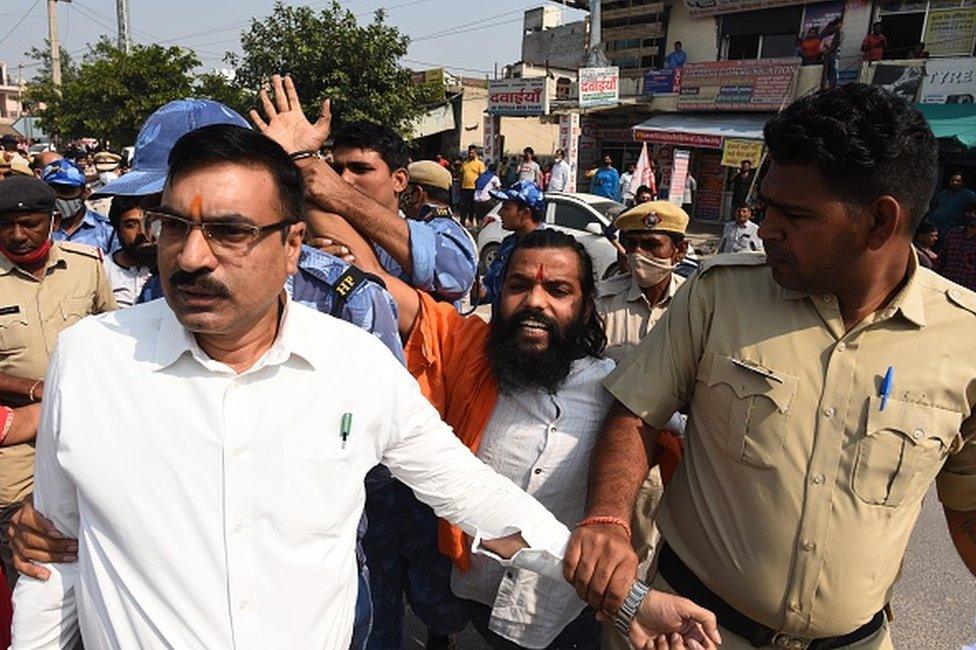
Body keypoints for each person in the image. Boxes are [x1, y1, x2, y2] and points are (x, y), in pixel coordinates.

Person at [11, 123, 719, 650]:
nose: (192, 258)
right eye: (175, 228)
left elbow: (477, 498)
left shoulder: (353, 366)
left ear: (292, 246)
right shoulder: (92, 363)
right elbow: (55, 561)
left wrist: (627, 599)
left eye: (229, 232)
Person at [565, 83, 976, 649]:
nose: (766, 228)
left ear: (880, 222)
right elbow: (636, 413)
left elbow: (969, 508)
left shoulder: (967, 340)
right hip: (686, 632)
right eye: (766, 206)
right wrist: (609, 520)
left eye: (794, 214)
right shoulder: (718, 295)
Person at [360, 227, 615, 647]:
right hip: (478, 591)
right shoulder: (469, 354)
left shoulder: (616, 391)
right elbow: (372, 278)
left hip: (565, 609)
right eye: (518, 286)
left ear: (586, 308)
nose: (535, 301)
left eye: (558, 290)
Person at [0, 176, 115, 584]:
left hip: (85, 447)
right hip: (16, 464)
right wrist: (31, 390)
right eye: (6, 225)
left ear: (53, 220)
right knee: (32, 581)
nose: (17, 235)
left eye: (30, 223)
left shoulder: (87, 266)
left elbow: (112, 338)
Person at [299, 118, 477, 309]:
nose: (343, 179)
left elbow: (456, 276)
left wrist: (342, 196)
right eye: (337, 170)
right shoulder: (314, 232)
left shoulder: (438, 230)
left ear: (399, 180)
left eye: (360, 169)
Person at [597, 201, 689, 365]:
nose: (638, 253)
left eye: (651, 245)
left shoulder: (693, 302)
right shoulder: (602, 301)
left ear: (680, 251)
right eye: (632, 244)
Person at [480, 180, 547, 306]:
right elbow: (490, 289)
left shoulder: (550, 248)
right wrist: (479, 291)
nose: (499, 213)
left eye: (506, 208)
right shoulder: (508, 244)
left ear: (525, 213)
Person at [40, 160, 115, 255]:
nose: (57, 198)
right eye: (50, 191)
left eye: (66, 191)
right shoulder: (35, 228)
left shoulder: (107, 231)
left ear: (85, 193)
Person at [102, 197, 157, 308]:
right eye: (131, 225)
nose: (142, 232)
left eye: (149, 223)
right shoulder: (102, 270)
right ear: (117, 229)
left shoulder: (169, 268)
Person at [938, 200, 976, 291]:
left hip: (969, 292)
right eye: (970, 212)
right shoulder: (953, 234)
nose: (972, 216)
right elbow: (941, 259)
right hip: (946, 287)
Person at [929, 171, 975, 236]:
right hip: (936, 227)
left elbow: (973, 209)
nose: (954, 182)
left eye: (958, 181)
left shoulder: (968, 195)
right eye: (952, 180)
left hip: (953, 229)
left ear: (963, 183)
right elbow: (934, 206)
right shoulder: (943, 193)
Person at [460, 145, 485, 226]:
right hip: (464, 187)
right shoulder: (465, 163)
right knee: (463, 206)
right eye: (469, 153)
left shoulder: (479, 164)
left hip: (474, 188)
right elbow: (461, 175)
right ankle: (462, 222)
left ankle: (471, 221)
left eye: (472, 153)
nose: (470, 154)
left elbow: (482, 176)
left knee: (472, 207)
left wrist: (480, 188)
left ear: (475, 153)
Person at [820, 17, 844, 89]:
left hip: (834, 54)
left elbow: (837, 44)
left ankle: (832, 86)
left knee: (833, 71)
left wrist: (829, 50)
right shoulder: (826, 36)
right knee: (828, 72)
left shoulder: (839, 34)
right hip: (828, 55)